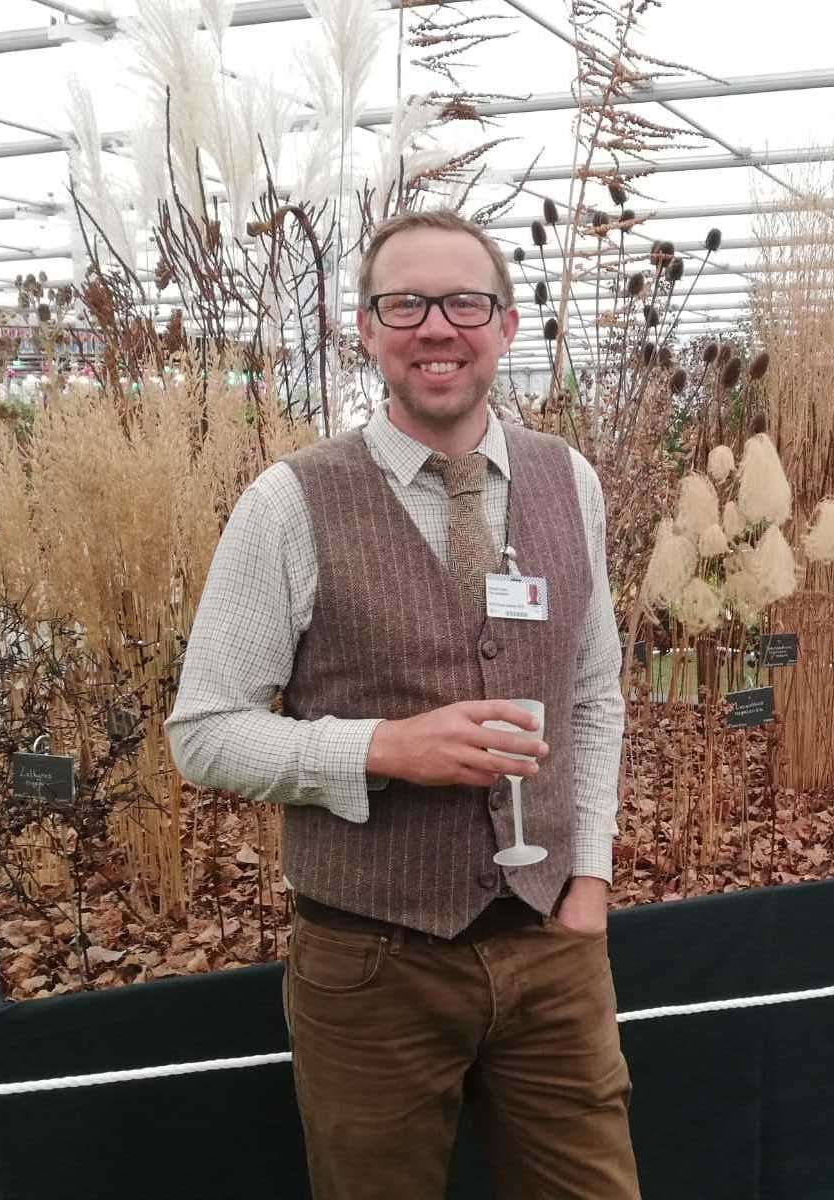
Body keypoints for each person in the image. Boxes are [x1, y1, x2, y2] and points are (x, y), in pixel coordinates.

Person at [165, 210, 638, 1200]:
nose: (437, 326)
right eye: (405, 303)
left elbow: (592, 695)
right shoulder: (290, 502)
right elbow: (204, 732)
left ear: (507, 326)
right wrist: (379, 748)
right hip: (371, 963)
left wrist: (587, 878)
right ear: (367, 330)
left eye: (465, 301)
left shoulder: (570, 480)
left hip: (553, 948)